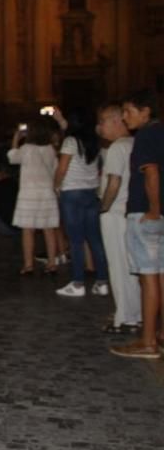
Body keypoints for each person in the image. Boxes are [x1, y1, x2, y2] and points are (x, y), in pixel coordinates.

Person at [112, 90, 164, 358]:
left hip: (145, 213)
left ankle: (147, 342)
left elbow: (151, 171)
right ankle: (161, 334)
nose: (124, 117)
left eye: (128, 111)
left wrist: (153, 209)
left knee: (148, 277)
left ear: (145, 112)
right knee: (161, 275)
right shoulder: (161, 132)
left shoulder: (145, 136)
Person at [53, 109, 109, 297]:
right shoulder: (95, 142)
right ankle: (102, 282)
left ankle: (78, 283)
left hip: (72, 193)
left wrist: (56, 186)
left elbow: (62, 167)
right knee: (94, 238)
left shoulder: (70, 142)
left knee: (76, 240)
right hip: (91, 192)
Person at [97, 103, 141, 333]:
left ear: (116, 121)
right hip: (130, 212)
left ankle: (126, 318)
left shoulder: (116, 148)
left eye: (103, 121)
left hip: (115, 214)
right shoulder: (134, 144)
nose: (100, 127)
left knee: (118, 267)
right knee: (132, 267)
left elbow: (114, 182)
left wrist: (103, 208)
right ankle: (137, 313)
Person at [7, 119, 60, 275]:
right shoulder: (51, 150)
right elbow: (55, 169)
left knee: (28, 230)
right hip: (47, 193)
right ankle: (52, 264)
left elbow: (12, 158)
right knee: (48, 229)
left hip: (28, 194)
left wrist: (16, 139)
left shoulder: (27, 148)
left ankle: (28, 265)